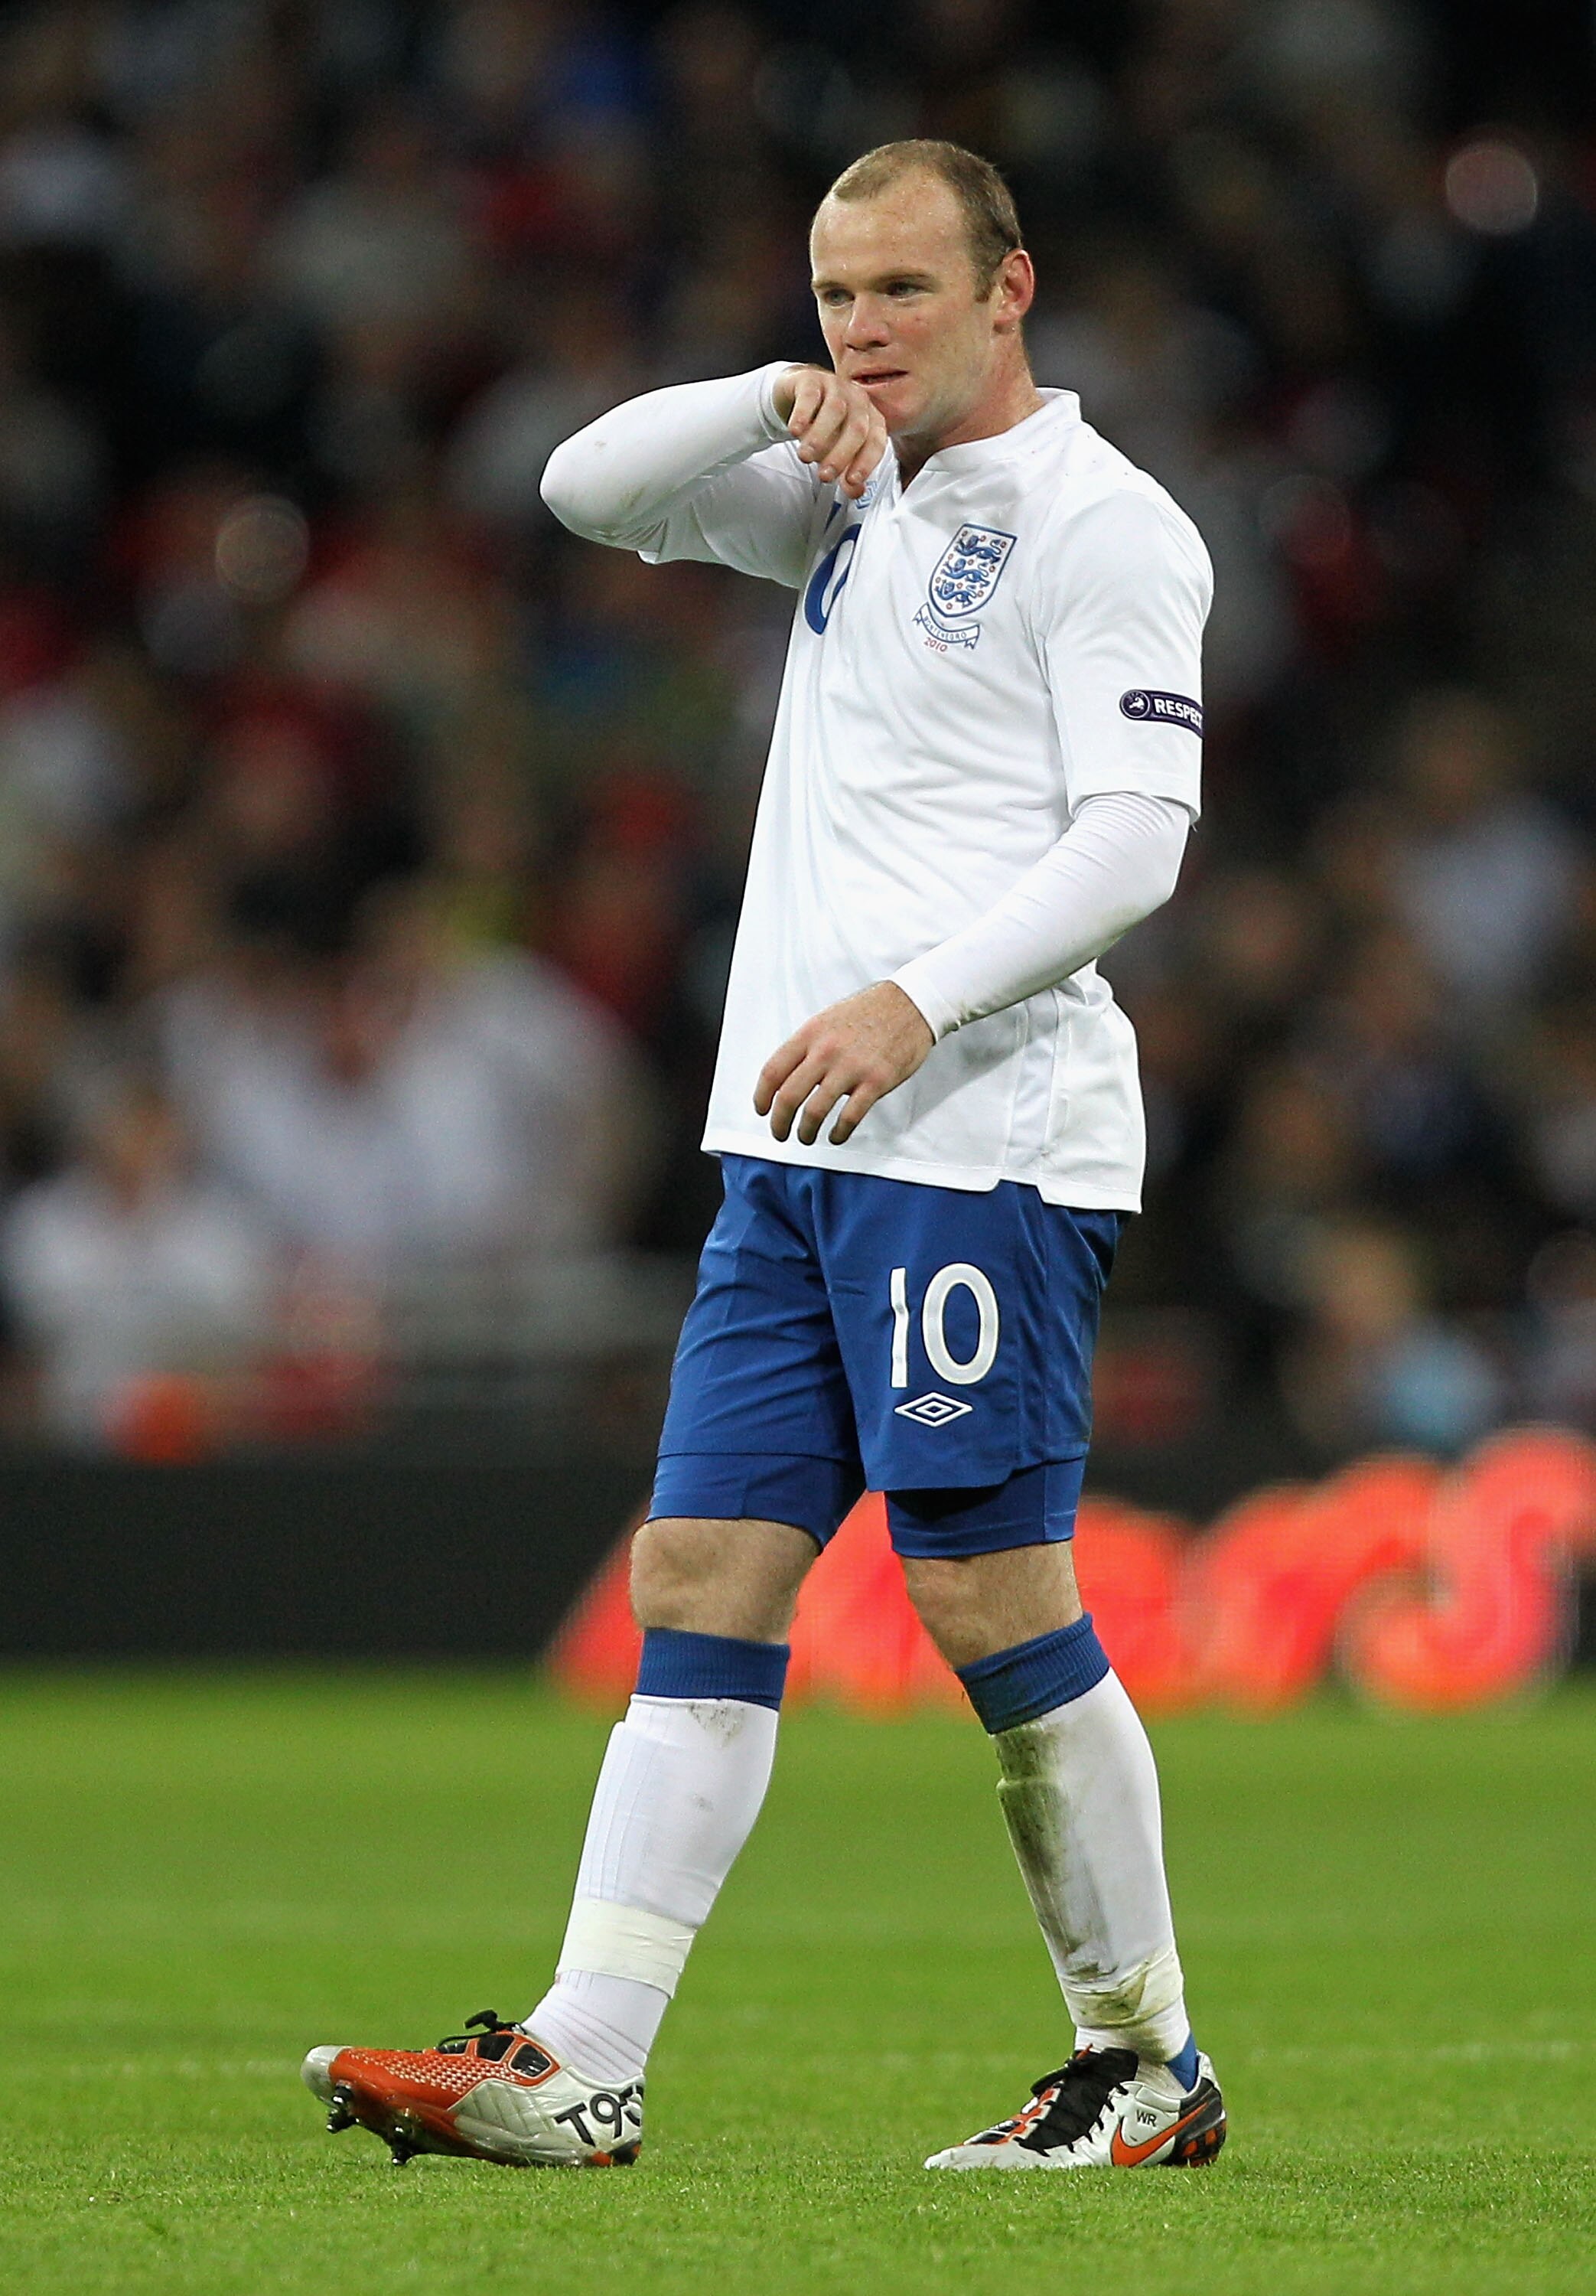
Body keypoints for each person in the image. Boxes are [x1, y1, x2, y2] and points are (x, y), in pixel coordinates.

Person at [302, 139, 1222, 2175]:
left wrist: (917, 1004)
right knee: (699, 1572)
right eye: (834, 296)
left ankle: (1144, 2062)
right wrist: (760, 399)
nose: (865, 330)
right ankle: (578, 2059)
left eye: (904, 290)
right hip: (784, 1153)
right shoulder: (839, 488)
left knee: (989, 1599)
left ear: (1013, 290)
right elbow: (572, 488)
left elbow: (1136, 837)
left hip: (978, 1143)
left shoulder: (1106, 525)